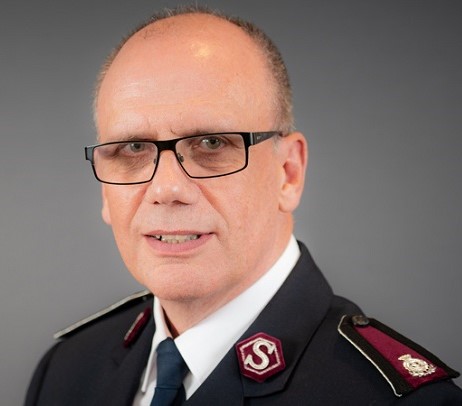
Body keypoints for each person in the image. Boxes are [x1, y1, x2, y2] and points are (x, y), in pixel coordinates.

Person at [25, 5, 462, 405]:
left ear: (288, 173)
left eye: (211, 143)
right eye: (132, 148)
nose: (166, 189)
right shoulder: (66, 372)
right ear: (105, 192)